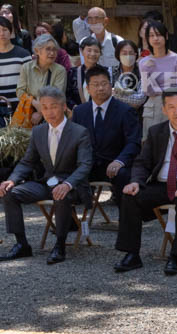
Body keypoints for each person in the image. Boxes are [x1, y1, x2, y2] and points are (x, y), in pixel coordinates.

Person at [114, 91, 177, 276]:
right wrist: (136, 182)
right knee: (129, 195)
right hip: (161, 185)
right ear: (164, 110)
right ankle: (131, 254)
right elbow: (142, 163)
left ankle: (176, 256)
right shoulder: (156, 132)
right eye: (172, 107)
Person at [0, 86, 91, 264]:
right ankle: (22, 245)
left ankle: (60, 245)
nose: (49, 111)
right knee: (10, 192)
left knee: (61, 194)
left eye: (54, 106)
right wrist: (12, 179)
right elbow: (27, 162)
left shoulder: (80, 132)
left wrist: (67, 184)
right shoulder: (38, 131)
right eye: (44, 107)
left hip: (72, 185)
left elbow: (85, 165)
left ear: (64, 107)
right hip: (46, 183)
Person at [70, 66, 140, 199]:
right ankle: (72, 219)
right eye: (95, 85)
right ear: (88, 89)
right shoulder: (79, 111)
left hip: (115, 164)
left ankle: (126, 217)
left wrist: (120, 161)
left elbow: (133, 143)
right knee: (64, 175)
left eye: (104, 84)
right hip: (88, 165)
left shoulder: (125, 111)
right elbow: (74, 141)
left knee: (124, 175)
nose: (100, 88)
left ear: (111, 85)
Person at [139, 21, 177, 137]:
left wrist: (158, 89)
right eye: (151, 35)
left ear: (166, 36)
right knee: (152, 144)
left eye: (159, 34)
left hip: (172, 106)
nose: (155, 39)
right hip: (152, 108)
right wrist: (147, 71)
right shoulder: (144, 62)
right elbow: (146, 91)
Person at [16, 34, 67, 126]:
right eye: (48, 49)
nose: (52, 53)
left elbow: (57, 95)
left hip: (52, 116)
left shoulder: (60, 70)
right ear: (37, 51)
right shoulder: (26, 68)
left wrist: (40, 113)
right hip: (27, 114)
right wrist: (35, 103)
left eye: (54, 49)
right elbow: (20, 91)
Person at [0, 16, 30, 105]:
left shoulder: (23, 55)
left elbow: (31, 82)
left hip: (20, 107)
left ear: (11, 32)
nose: (2, 33)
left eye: (5, 29)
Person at [110, 39, 146, 111]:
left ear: (136, 54)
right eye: (124, 53)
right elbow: (107, 95)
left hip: (136, 115)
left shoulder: (142, 71)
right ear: (118, 55)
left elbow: (140, 99)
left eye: (131, 53)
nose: (128, 56)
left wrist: (117, 95)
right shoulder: (111, 71)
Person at [67, 35, 100, 107]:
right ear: (82, 51)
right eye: (89, 50)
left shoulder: (105, 72)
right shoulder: (72, 73)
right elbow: (67, 95)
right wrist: (75, 108)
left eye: (96, 51)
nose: (92, 54)